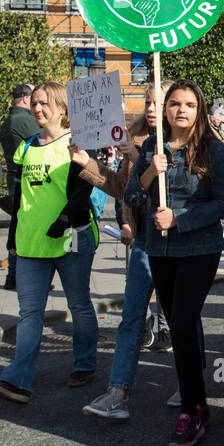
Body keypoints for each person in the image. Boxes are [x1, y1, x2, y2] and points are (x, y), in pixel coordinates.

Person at [126, 80, 224, 446]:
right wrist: (147, 172)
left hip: (199, 249)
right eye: (174, 104)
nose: (181, 111)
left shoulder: (212, 151)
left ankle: (191, 408)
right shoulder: (150, 148)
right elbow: (131, 196)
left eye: (189, 104)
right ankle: (198, 401)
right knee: (178, 327)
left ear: (199, 109)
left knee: (185, 323)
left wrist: (180, 218)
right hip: (160, 251)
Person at [0, 82, 100, 402]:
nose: (36, 109)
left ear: (62, 108)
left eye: (43, 103)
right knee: (29, 313)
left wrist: (63, 221)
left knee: (78, 304)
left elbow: (83, 192)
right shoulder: (26, 147)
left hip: (70, 240)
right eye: (33, 104)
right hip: (31, 243)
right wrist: (12, 239)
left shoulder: (76, 145)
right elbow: (19, 197)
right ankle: (17, 379)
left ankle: (85, 363)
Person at [79, 81, 173, 420]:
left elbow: (173, 186)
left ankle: (190, 388)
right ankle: (116, 392)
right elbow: (122, 188)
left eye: (157, 102)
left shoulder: (182, 142)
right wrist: (85, 163)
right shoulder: (132, 138)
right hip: (145, 241)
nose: (151, 108)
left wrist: (136, 156)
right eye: (148, 102)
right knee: (131, 316)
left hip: (176, 242)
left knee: (180, 318)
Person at [0, 84, 41, 290]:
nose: (37, 107)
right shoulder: (24, 119)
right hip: (25, 178)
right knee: (25, 227)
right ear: (26, 99)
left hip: (14, 176)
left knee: (18, 225)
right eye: (35, 102)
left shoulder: (8, 120)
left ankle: (13, 275)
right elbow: (44, 140)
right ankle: (18, 276)